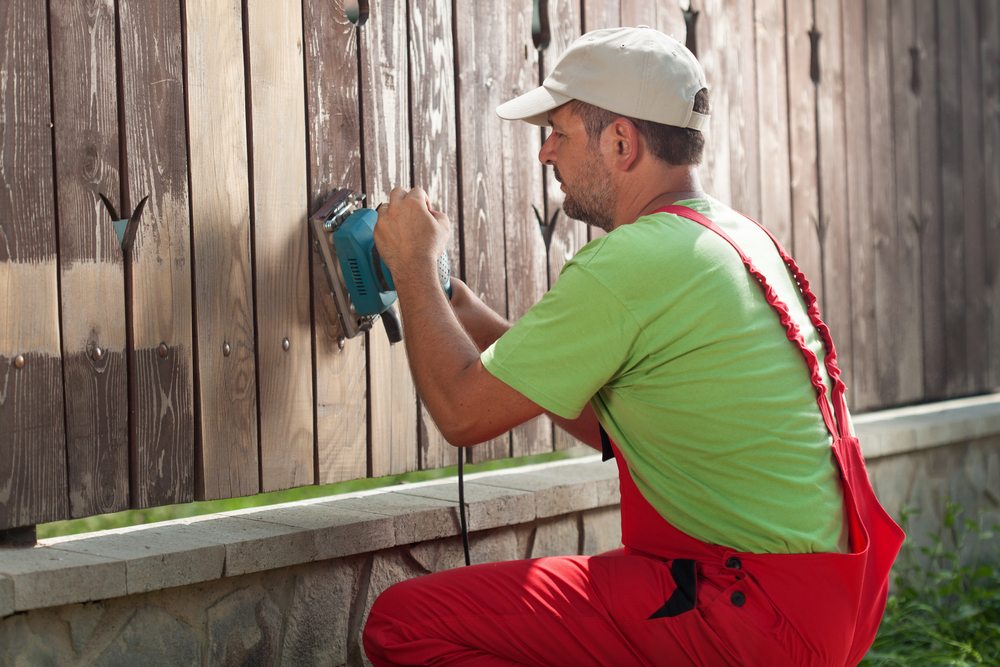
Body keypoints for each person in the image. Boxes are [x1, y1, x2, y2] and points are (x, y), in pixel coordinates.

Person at [362, 26, 903, 666]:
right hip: (815, 606)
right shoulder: (732, 238)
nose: (546, 155)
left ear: (622, 141)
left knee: (402, 624)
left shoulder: (633, 263)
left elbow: (460, 412)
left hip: (744, 615)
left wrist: (415, 267)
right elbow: (617, 429)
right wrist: (451, 299)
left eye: (559, 132)